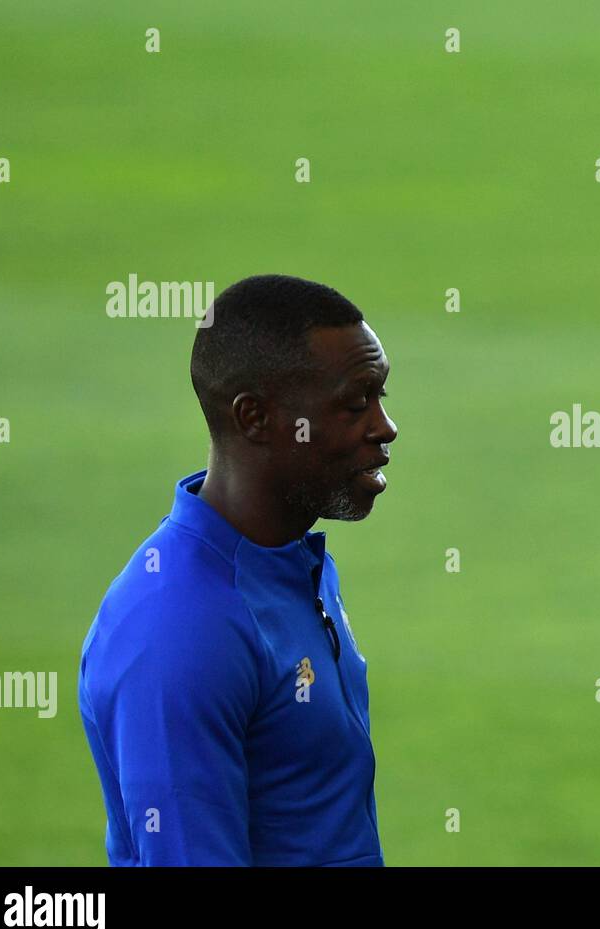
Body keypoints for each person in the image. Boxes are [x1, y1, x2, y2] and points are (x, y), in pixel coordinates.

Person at [79, 274, 397, 865]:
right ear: (254, 417)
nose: (384, 426)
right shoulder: (178, 630)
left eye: (381, 397)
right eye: (356, 403)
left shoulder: (287, 561)